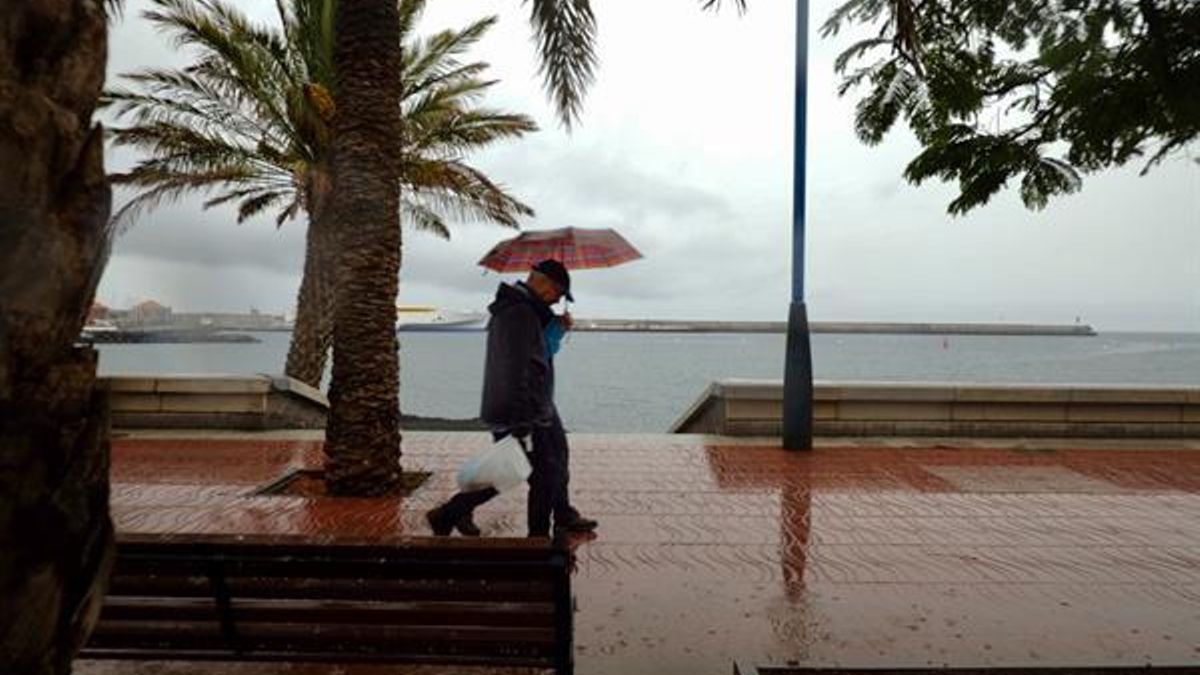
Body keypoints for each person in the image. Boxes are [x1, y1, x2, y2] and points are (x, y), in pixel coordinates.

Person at [426, 259, 598, 537]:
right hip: (522, 407)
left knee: (554, 457)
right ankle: (532, 537)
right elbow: (520, 368)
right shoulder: (519, 313)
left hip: (535, 403)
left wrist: (554, 329)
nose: (557, 300)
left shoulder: (525, 310)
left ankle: (562, 514)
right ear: (541, 282)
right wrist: (522, 420)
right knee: (528, 471)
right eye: (558, 292)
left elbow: (536, 355)